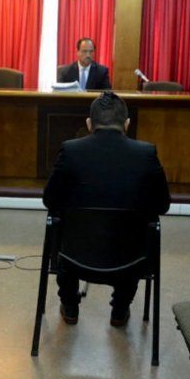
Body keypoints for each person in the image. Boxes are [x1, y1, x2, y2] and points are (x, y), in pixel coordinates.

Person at [43, 91, 170, 326]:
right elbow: (163, 205)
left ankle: (70, 306)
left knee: (59, 221)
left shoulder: (70, 150)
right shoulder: (146, 153)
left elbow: (50, 200)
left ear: (89, 124)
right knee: (139, 230)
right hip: (130, 260)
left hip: (73, 257)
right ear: (127, 124)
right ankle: (120, 309)